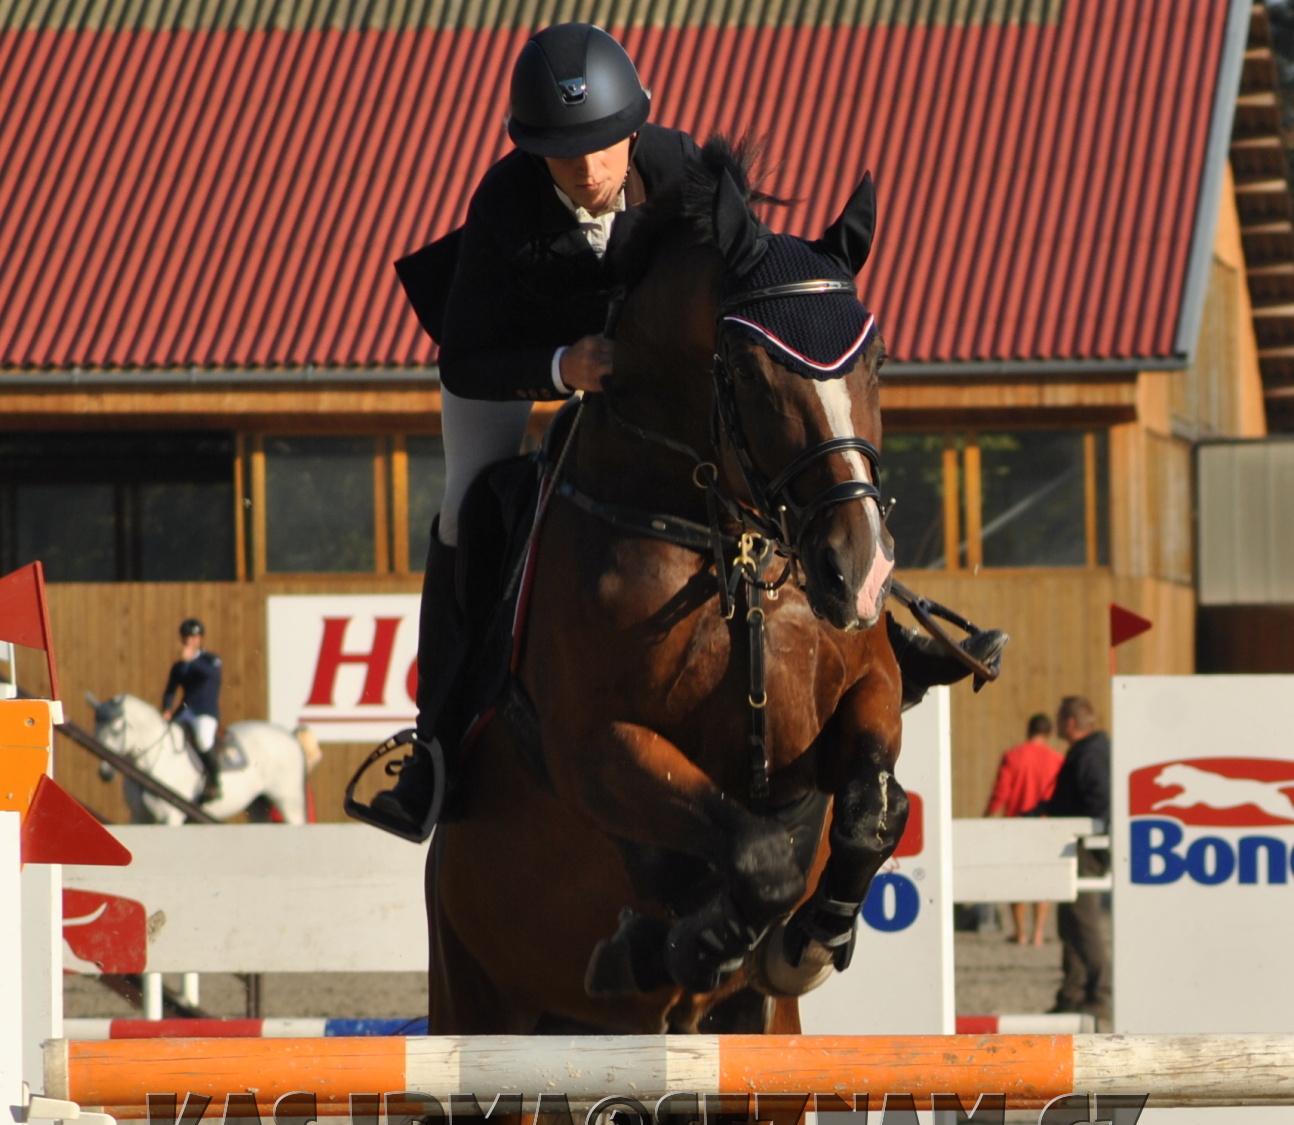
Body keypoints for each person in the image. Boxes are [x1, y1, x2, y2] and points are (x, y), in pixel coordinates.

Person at [365, 21, 1005, 840]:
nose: (588, 170)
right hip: (522, 353)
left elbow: (751, 267)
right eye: (564, 154)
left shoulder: (675, 167)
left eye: (602, 146)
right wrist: (563, 366)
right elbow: (466, 358)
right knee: (466, 507)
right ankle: (436, 737)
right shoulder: (504, 203)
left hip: (646, 364)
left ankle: (881, 631)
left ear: (635, 128)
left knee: (772, 452)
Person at [1040, 694, 1111, 1022]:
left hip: (1085, 849)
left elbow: (1101, 803)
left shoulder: (1090, 755)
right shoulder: (1089, 752)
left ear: (1070, 723)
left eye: (1060, 718)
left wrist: (1091, 840)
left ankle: (1098, 992)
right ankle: (1073, 992)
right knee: (1070, 923)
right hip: (1079, 846)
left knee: (1082, 923)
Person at [985, 712, 1063, 945]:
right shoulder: (1057, 759)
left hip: (1016, 824)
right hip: (1045, 826)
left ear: (1029, 730)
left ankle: (1020, 932)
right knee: (1043, 877)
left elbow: (1001, 792)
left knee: (1017, 878)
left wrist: (988, 815)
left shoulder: (1013, 756)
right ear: (1049, 733)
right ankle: (1038, 932)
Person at [160, 618, 223, 804]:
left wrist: (190, 662)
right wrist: (167, 709)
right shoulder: (179, 665)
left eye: (194, 637)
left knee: (203, 740)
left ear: (200, 639)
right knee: (167, 737)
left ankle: (214, 781)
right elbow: (170, 690)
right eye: (187, 637)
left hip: (205, 712)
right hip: (186, 711)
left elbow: (209, 674)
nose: (190, 640)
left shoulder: (210, 660)